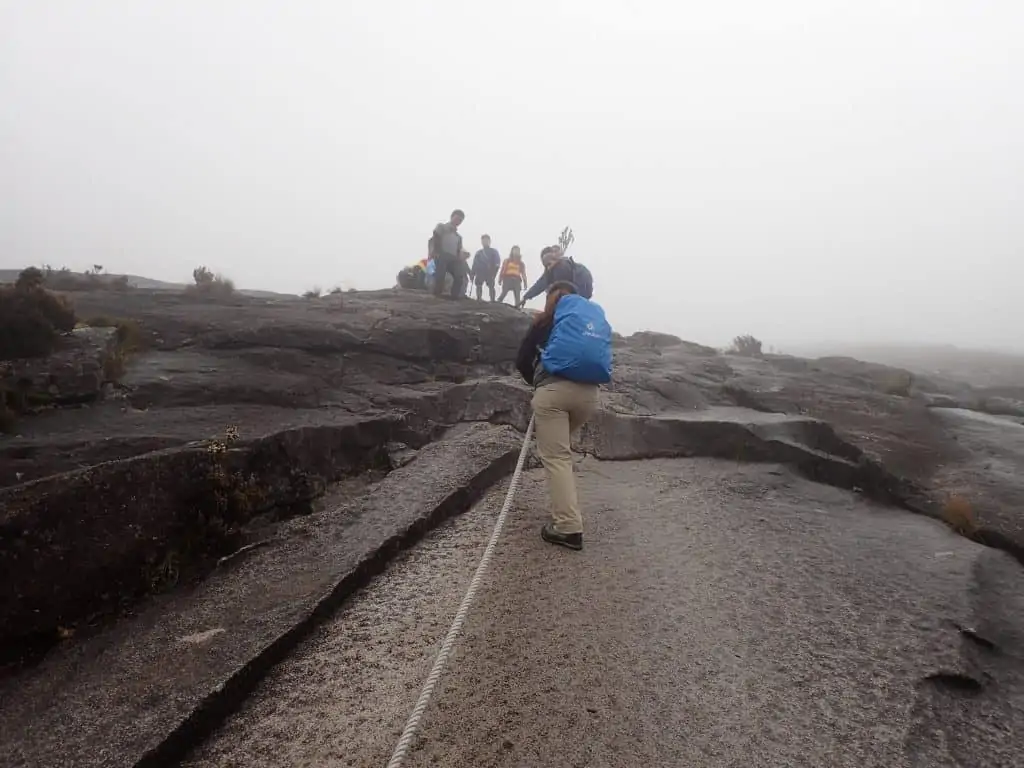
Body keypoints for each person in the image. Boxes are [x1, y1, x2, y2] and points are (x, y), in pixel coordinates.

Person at [515, 281, 613, 550]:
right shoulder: (586, 320)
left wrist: (537, 383)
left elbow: (522, 360)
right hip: (588, 397)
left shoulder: (545, 322)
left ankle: (568, 526)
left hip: (554, 395)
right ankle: (563, 508)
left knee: (556, 457)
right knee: (561, 453)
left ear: (550, 299)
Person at [519, 245, 594, 305]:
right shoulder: (554, 269)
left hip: (578, 292)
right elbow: (539, 285)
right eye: (546, 265)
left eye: (550, 262)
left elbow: (560, 288)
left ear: (555, 258)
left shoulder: (561, 266)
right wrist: (526, 297)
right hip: (582, 294)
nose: (549, 266)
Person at [428, 209, 466, 299]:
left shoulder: (458, 237)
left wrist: (461, 257)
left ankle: (454, 296)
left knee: (459, 276)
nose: (458, 221)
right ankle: (437, 294)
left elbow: (459, 249)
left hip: (453, 258)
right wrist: (435, 251)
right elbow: (436, 237)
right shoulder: (441, 227)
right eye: (457, 218)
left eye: (460, 220)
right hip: (441, 254)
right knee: (440, 275)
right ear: (452, 217)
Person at [471, 234, 502, 301]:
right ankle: (479, 299)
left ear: (489, 241)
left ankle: (492, 300)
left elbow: (497, 262)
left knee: (491, 286)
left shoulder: (493, 252)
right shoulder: (478, 253)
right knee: (479, 285)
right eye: (483, 240)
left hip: (490, 272)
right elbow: (475, 264)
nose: (485, 242)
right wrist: (472, 273)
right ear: (481, 242)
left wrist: (494, 273)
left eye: (486, 240)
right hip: (480, 271)